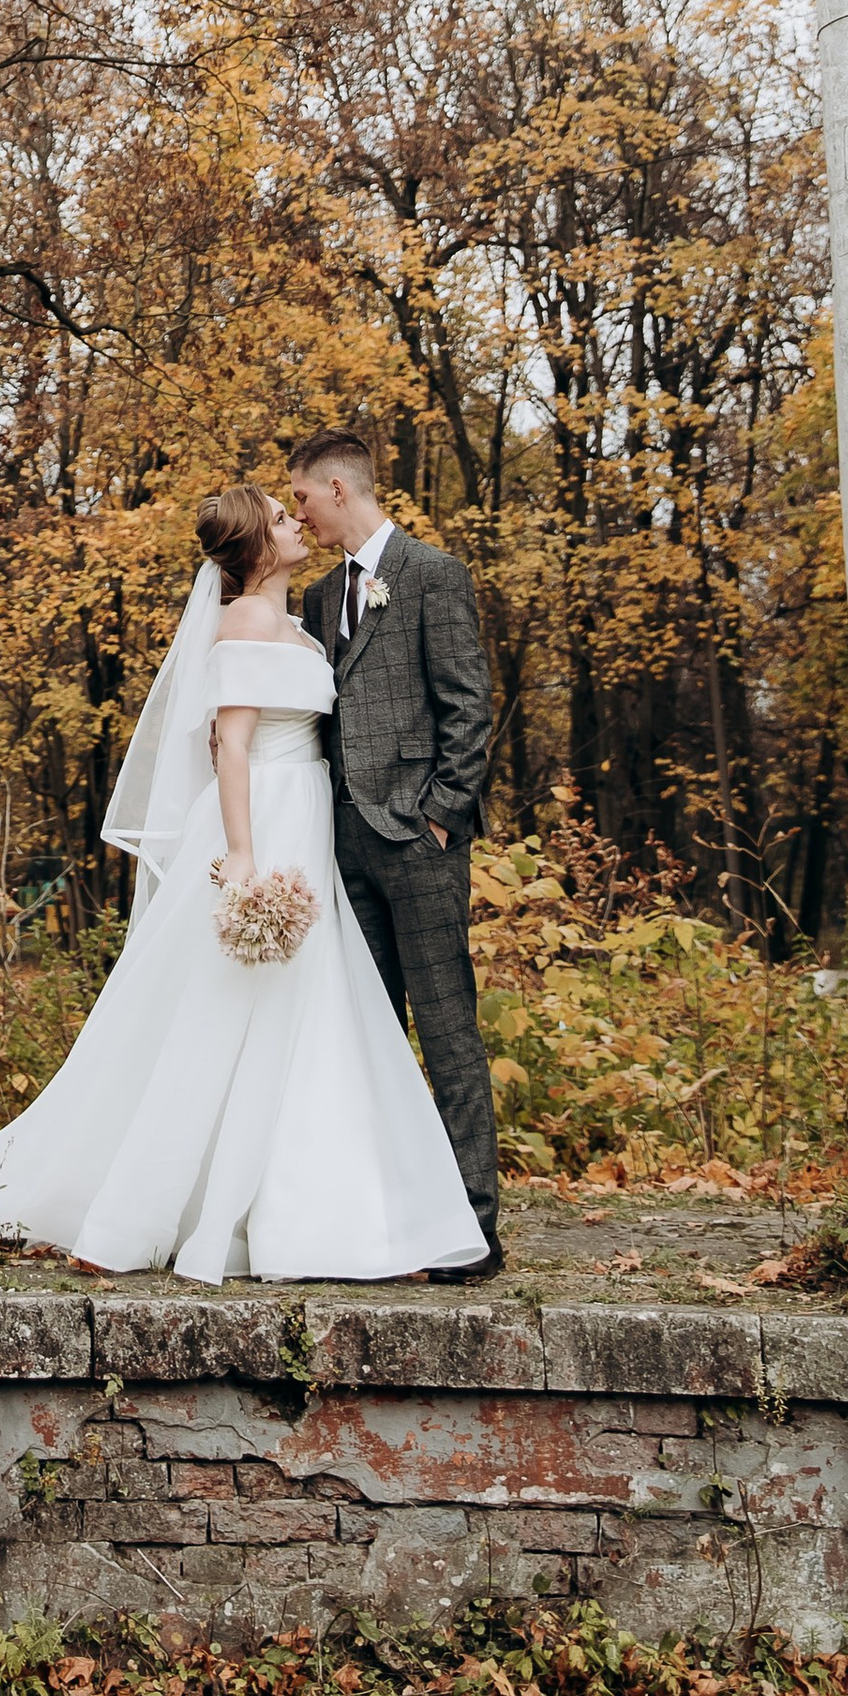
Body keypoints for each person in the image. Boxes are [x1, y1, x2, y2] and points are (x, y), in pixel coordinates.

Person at [0, 481, 488, 1284]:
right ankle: (136, 1208)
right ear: (257, 546)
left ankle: (307, 1209)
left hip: (308, 820)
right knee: (220, 1011)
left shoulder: (299, 623)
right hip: (263, 820)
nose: (295, 523)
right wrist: (241, 854)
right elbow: (231, 745)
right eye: (280, 517)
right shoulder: (248, 620)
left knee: (304, 1014)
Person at [291, 427, 503, 1280]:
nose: (299, 513)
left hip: (418, 842)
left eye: (303, 496)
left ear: (339, 488)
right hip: (343, 846)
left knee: (447, 1031)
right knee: (366, 1038)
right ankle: (383, 1225)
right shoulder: (317, 597)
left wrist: (442, 818)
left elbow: (468, 706)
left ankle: (474, 1232)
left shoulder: (433, 574)